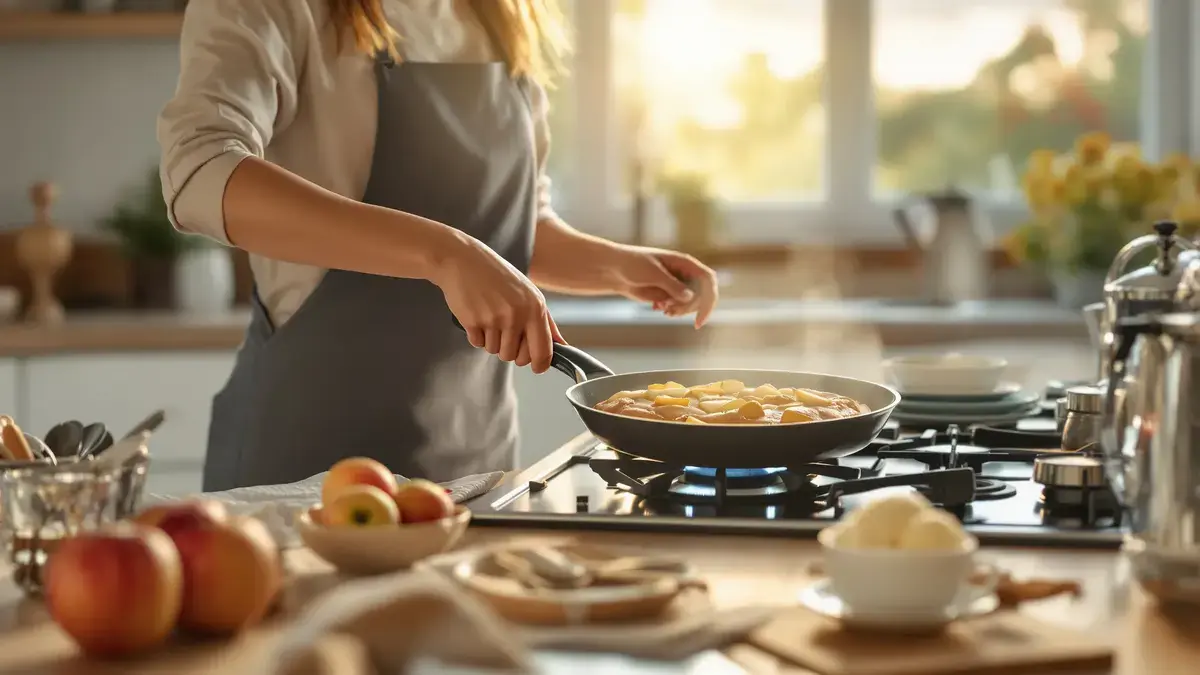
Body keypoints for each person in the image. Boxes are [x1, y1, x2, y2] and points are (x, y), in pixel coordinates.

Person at [158, 0, 720, 491]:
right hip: (307, 465)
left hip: (475, 464)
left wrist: (620, 268)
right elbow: (201, 172)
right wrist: (445, 254)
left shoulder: (499, 16)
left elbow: (515, 225)